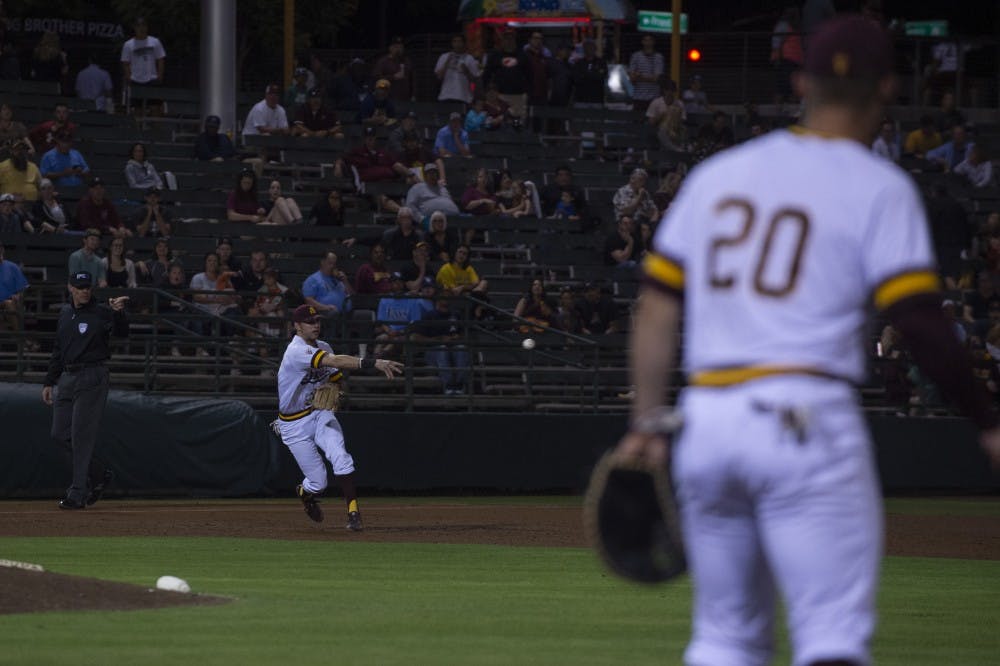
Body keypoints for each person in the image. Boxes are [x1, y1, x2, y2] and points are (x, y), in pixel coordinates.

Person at [614, 16, 1000, 666]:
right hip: (804, 419)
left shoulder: (720, 176)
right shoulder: (879, 186)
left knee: (724, 639)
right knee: (832, 641)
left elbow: (655, 309)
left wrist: (648, 422)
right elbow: (922, 323)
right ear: (887, 90)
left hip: (706, 423)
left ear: (802, 82)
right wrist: (987, 420)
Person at [275, 304, 403, 531]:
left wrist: (337, 391)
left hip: (319, 413)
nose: (315, 325)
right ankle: (306, 492)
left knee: (341, 456)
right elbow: (334, 362)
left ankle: (353, 513)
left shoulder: (323, 345)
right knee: (319, 482)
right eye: (309, 322)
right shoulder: (296, 351)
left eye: (317, 321)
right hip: (293, 424)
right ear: (296, 326)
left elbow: (334, 378)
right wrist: (374, 363)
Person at [41, 271, 129, 509]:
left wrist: (119, 313)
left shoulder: (101, 312)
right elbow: (59, 349)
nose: (84, 291)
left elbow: (122, 335)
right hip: (67, 376)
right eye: (80, 287)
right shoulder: (65, 312)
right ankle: (99, 474)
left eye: (87, 287)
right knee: (59, 434)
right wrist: (50, 381)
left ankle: (77, 493)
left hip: (92, 375)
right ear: (70, 287)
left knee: (81, 437)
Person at [411, 292, 469, 394]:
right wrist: (438, 339)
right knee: (442, 348)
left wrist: (458, 337)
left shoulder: (456, 314)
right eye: (444, 297)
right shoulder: (429, 315)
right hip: (434, 352)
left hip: (454, 349)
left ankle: (459, 385)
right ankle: (449, 385)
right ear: (437, 300)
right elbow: (416, 337)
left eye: (448, 297)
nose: (447, 299)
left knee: (461, 348)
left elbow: (465, 335)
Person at [120, 17, 166, 111]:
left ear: (147, 27)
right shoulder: (128, 45)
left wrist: (159, 75)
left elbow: (160, 59)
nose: (141, 28)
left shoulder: (155, 42)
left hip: (152, 79)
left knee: (155, 108)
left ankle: (155, 125)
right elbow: (125, 63)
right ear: (134, 28)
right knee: (137, 110)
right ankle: (138, 126)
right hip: (136, 80)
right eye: (138, 26)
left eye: (143, 25)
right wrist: (129, 77)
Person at [0, 240, 33, 350]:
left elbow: (22, 289)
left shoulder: (12, 267)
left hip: (10, 303)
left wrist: (18, 296)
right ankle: (22, 340)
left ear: (2, 250)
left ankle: (20, 339)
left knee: (9, 304)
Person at [302, 251, 353, 317]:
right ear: (322, 262)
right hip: (323, 312)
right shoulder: (313, 279)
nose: (332, 266)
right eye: (330, 263)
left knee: (365, 315)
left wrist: (345, 281)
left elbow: (351, 295)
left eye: (334, 264)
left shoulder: (338, 278)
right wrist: (326, 307)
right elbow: (308, 301)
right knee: (334, 313)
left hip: (346, 312)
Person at [435, 34, 479, 105]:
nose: (457, 44)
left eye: (459, 41)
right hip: (446, 96)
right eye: (455, 41)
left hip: (464, 97)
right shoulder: (444, 56)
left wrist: (466, 71)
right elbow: (439, 77)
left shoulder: (470, 58)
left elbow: (474, 81)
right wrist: (447, 62)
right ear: (452, 43)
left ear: (464, 44)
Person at [372, 36, 415, 102]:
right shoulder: (383, 61)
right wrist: (393, 77)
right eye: (396, 47)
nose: (398, 49)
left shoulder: (407, 61)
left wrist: (413, 95)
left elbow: (412, 79)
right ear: (390, 48)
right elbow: (376, 78)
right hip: (388, 99)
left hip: (405, 99)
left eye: (401, 47)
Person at [629, 34, 664, 104]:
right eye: (645, 40)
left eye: (650, 40)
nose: (648, 43)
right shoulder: (635, 56)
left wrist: (639, 76)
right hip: (638, 97)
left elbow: (656, 79)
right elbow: (632, 78)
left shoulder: (658, 57)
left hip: (654, 98)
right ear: (642, 42)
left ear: (653, 42)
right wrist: (650, 77)